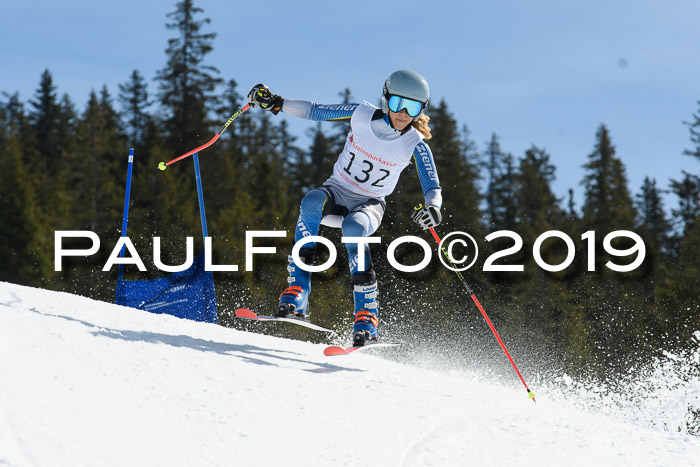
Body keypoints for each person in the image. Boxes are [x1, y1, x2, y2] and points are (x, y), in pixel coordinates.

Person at [247, 69, 442, 346]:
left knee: (353, 229)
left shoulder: (414, 143)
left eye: (413, 108)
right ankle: (297, 292)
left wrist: (433, 207)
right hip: (337, 192)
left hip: (369, 204)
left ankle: (366, 316)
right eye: (398, 104)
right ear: (386, 99)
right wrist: (276, 102)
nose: (403, 114)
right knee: (312, 201)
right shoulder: (361, 115)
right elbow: (316, 111)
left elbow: (432, 185)